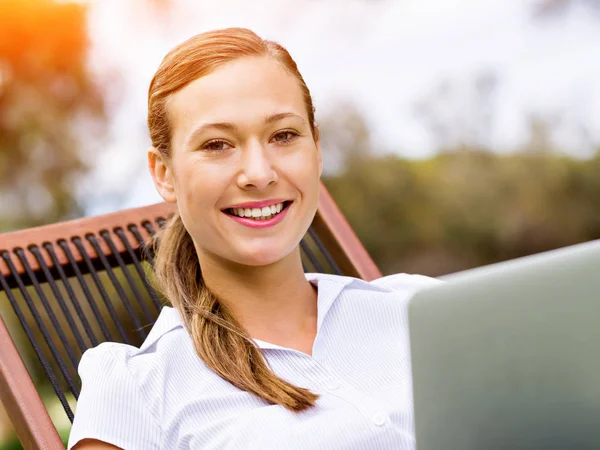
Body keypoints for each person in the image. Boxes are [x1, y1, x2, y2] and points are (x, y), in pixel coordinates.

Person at [67, 27, 439, 450]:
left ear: (316, 149)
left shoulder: (420, 308)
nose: (259, 173)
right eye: (218, 144)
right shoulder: (138, 386)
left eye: (283, 136)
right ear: (164, 174)